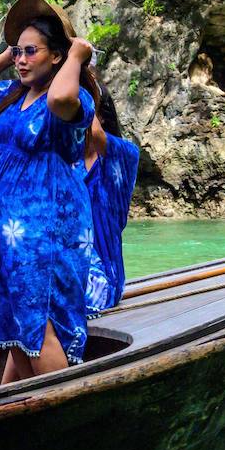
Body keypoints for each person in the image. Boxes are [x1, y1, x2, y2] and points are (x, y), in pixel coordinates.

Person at [0, 0, 98, 381]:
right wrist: (6, 55)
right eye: (19, 51)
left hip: (43, 228)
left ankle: (59, 407)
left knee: (38, 312)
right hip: (0, 228)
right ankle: (16, 406)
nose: (22, 60)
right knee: (13, 315)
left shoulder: (72, 99)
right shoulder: (12, 96)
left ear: (56, 56)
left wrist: (78, 56)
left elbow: (61, 96)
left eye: (31, 52)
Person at [77, 84, 140, 313]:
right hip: (69, 260)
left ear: (101, 116)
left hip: (102, 270)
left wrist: (81, 76)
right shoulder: (66, 159)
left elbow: (96, 135)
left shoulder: (125, 154)